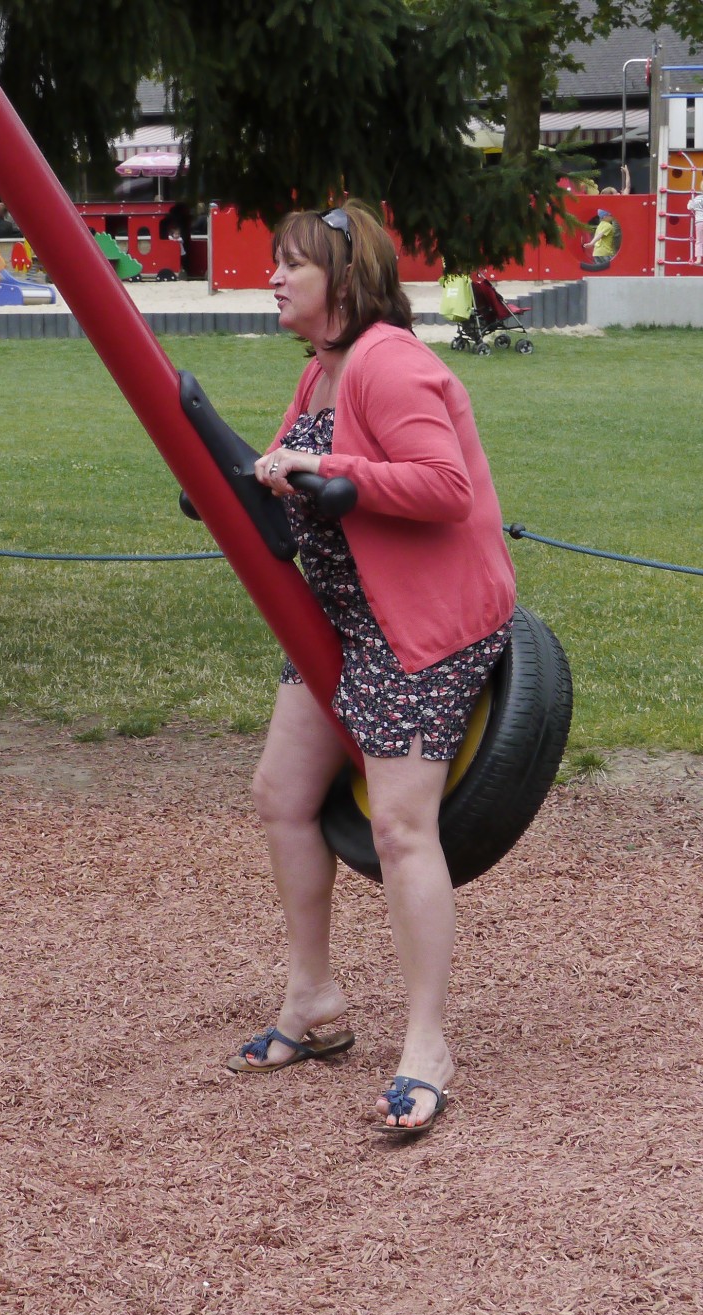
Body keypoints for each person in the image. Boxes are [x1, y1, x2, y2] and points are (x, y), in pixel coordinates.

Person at [232, 198, 518, 1137]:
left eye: (292, 265)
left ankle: (427, 1043)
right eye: (274, 263)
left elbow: (444, 486)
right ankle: (313, 996)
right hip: (344, 619)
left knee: (398, 826)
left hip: (419, 626)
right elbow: (302, 468)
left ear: (345, 281)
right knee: (281, 794)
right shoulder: (319, 370)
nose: (274, 277)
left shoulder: (388, 362)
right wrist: (256, 481)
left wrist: (335, 476)